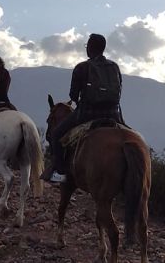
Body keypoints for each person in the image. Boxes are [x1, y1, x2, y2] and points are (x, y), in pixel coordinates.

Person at [42, 33, 124, 183]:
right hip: (113, 114)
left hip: (87, 114)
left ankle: (60, 173)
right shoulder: (114, 67)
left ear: (90, 48)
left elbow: (73, 95)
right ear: (103, 48)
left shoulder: (82, 67)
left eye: (87, 45)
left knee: (56, 135)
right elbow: (119, 91)